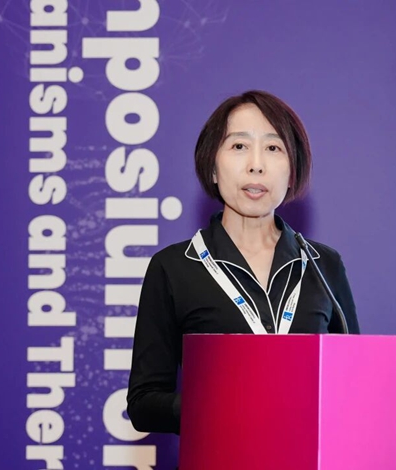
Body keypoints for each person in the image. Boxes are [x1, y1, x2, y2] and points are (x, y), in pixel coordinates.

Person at [127, 90, 361, 434]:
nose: (256, 164)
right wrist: (218, 406)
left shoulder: (323, 265)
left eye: (273, 148)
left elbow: (355, 386)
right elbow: (144, 404)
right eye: (239, 146)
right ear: (212, 168)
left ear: (292, 172)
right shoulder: (173, 267)